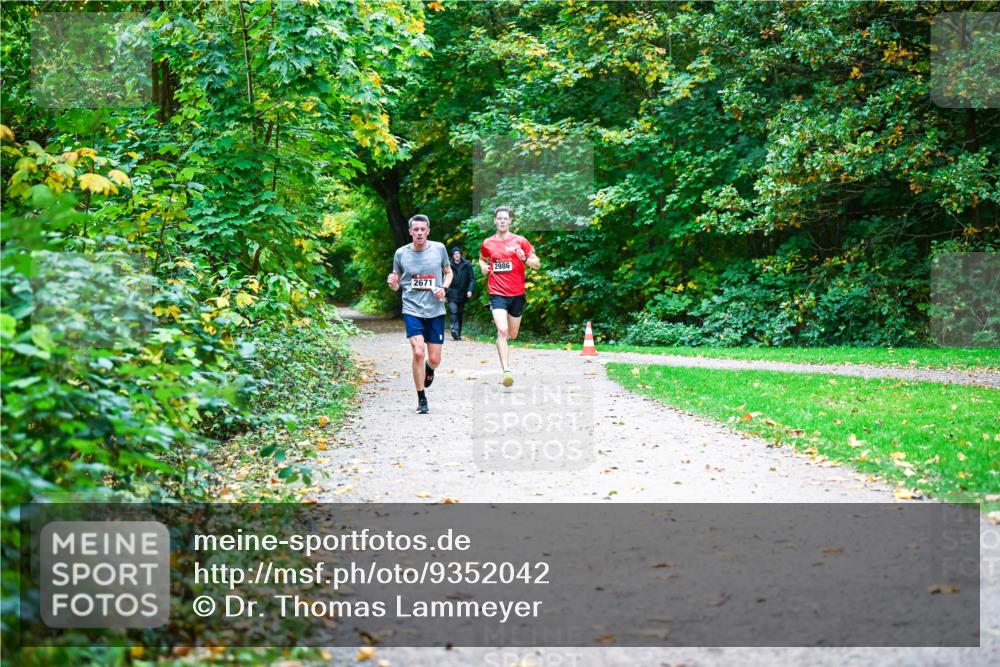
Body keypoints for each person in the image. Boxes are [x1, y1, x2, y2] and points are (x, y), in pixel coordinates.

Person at [387, 214, 452, 414]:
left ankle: (429, 369)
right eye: (416, 229)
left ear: (428, 231)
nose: (420, 233)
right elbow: (396, 284)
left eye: (423, 229)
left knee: (434, 359)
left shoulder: (439, 249)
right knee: (418, 351)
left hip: (435, 310)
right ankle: (421, 399)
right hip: (412, 309)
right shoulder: (401, 254)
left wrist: (444, 287)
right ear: (410, 232)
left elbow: (448, 272)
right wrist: (393, 284)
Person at [478, 206, 540, 387]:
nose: (503, 221)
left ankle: (503, 344)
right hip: (497, 293)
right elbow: (482, 258)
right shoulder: (488, 243)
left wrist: (524, 259)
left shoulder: (521, 241)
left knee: (512, 333)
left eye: (506, 218)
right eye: (500, 218)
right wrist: (482, 265)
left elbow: (537, 264)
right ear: (495, 221)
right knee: (502, 331)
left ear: (510, 221)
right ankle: (506, 370)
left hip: (517, 294)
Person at [446, 246, 475, 340]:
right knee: (454, 311)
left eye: (458, 253)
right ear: (452, 256)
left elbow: (471, 279)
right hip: (451, 293)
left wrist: (470, 290)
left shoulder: (467, 264)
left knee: (460, 313)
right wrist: (445, 294)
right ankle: (454, 330)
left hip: (463, 293)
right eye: (455, 254)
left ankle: (458, 333)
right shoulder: (448, 265)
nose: (456, 255)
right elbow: (445, 279)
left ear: (460, 255)